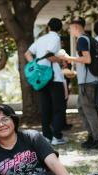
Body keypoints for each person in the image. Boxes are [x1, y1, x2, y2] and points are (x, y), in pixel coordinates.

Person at [60, 17, 98, 150]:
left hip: (87, 82)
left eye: (70, 27)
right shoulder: (88, 39)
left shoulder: (81, 40)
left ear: (76, 27)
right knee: (82, 107)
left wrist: (68, 58)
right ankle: (92, 136)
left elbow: (87, 59)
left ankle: (97, 139)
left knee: (89, 110)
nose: (69, 30)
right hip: (88, 80)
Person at [25, 18, 68, 146]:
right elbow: (49, 55)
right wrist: (62, 60)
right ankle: (57, 136)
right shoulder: (55, 38)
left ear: (48, 27)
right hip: (54, 77)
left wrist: (35, 66)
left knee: (45, 108)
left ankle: (47, 136)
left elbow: (27, 53)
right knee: (58, 107)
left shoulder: (40, 39)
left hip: (40, 78)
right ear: (59, 28)